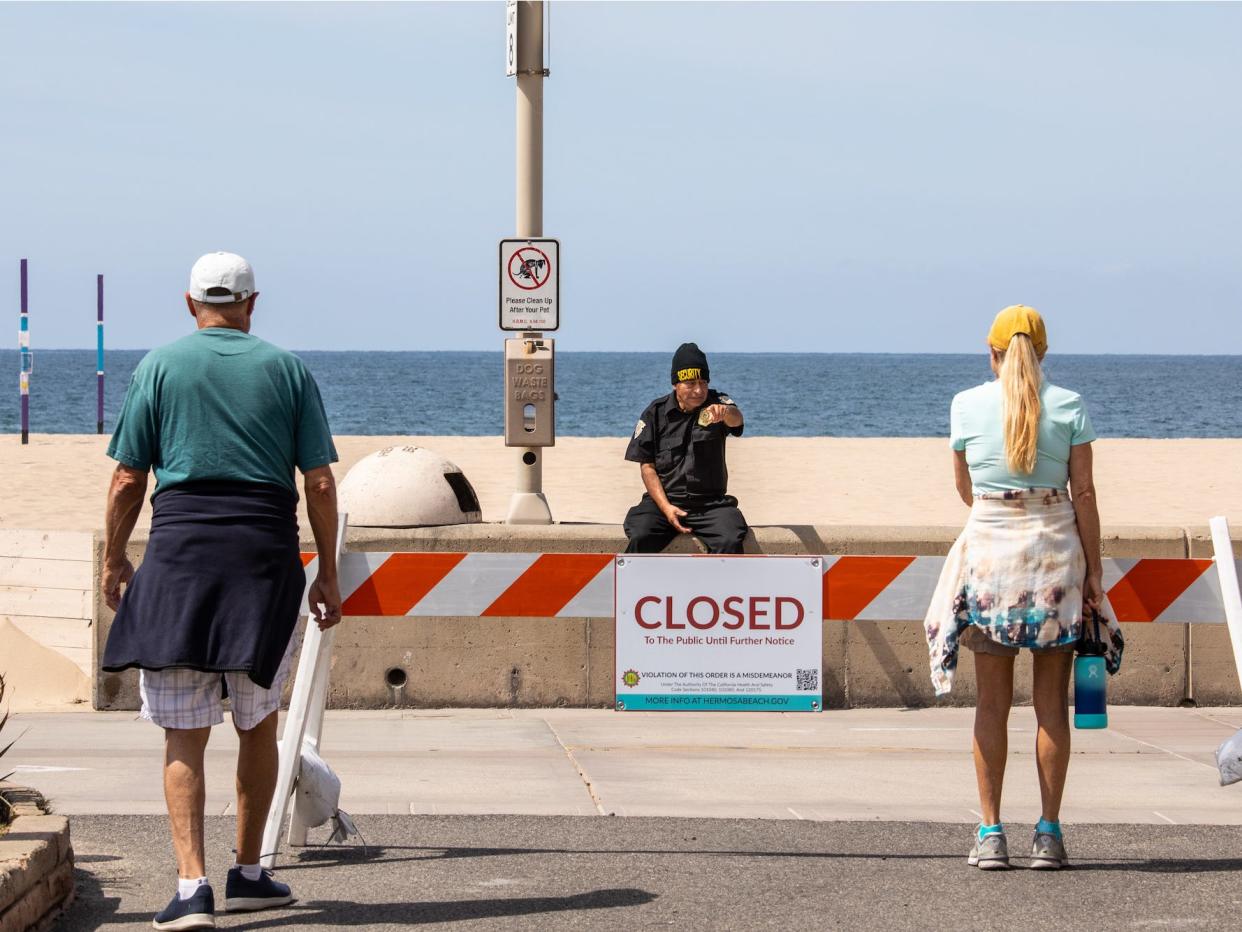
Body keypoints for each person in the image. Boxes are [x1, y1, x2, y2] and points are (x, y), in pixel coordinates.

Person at [99, 252, 342, 930]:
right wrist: (326, 569)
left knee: (183, 734)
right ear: (251, 305)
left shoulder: (158, 366)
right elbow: (319, 482)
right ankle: (250, 872)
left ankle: (190, 889)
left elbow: (126, 480)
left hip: (180, 564)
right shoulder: (287, 370)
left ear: (189, 304)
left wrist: (115, 560)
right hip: (263, 566)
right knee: (257, 721)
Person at [923, 305, 1122, 872]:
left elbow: (966, 491)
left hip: (991, 566)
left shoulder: (966, 405)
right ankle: (1049, 835)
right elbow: (1082, 493)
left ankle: (990, 835)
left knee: (991, 704)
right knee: (1050, 708)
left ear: (991, 352)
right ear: (1044, 354)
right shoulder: (1070, 406)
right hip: (1056, 564)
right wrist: (1094, 571)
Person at [623, 342, 749, 554]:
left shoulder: (718, 402)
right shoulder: (655, 413)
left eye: (703, 382)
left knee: (731, 537)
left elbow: (737, 421)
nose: (699, 390)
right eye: (690, 383)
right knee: (640, 534)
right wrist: (666, 508)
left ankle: (718, 587)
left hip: (710, 505)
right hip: (665, 502)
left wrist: (726, 412)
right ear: (676, 384)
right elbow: (647, 467)